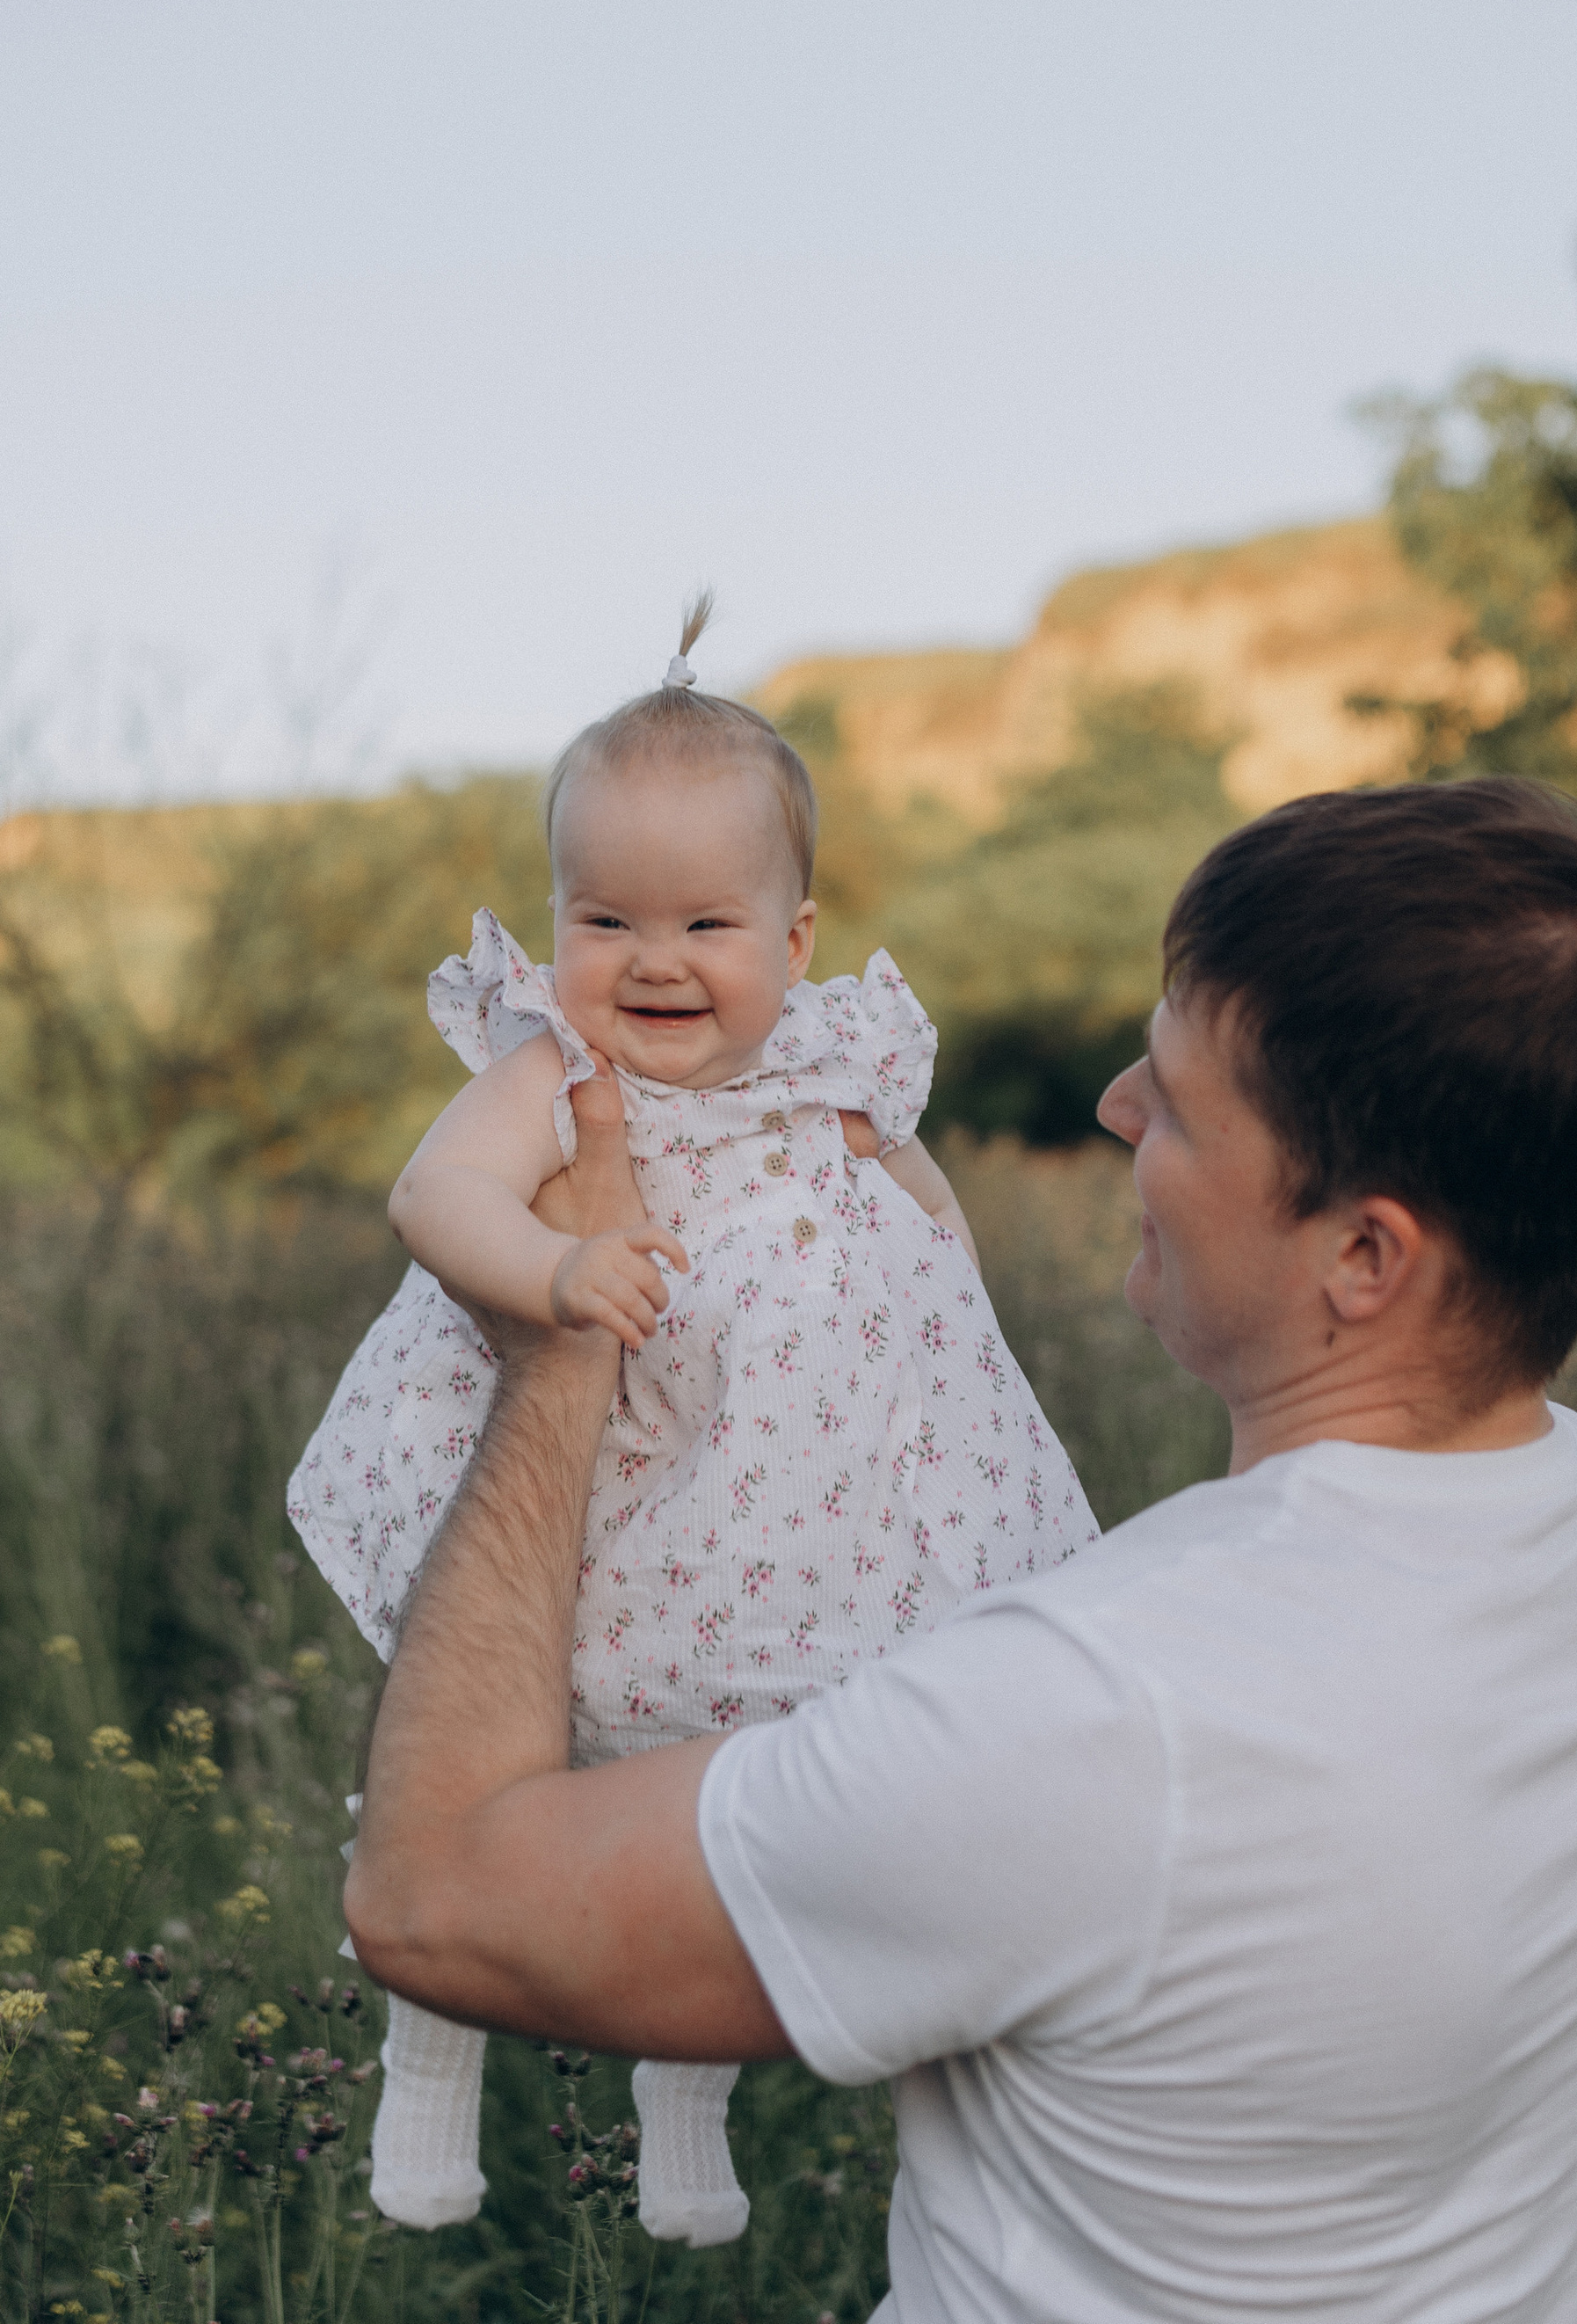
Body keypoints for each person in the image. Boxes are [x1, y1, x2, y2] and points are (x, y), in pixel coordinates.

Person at [343, 773, 1577, 2323]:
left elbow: (429, 1899)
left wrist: (559, 1364)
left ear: (1363, 1255)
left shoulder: (1090, 1713)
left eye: (1180, 1099)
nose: (1113, 1112)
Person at [288, 601, 1094, 2245]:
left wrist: (942, 1297)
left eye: (706, 922)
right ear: (555, 926)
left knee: (716, 1788)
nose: (653, 961)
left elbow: (909, 1190)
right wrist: (559, 1262)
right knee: (480, 1768)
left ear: (797, 944)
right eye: (607, 918)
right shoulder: (552, 1065)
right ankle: (426, 2076)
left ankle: (683, 2116)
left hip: (770, 1507)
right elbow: (433, 1192)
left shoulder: (838, 1055)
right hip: (594, 1481)